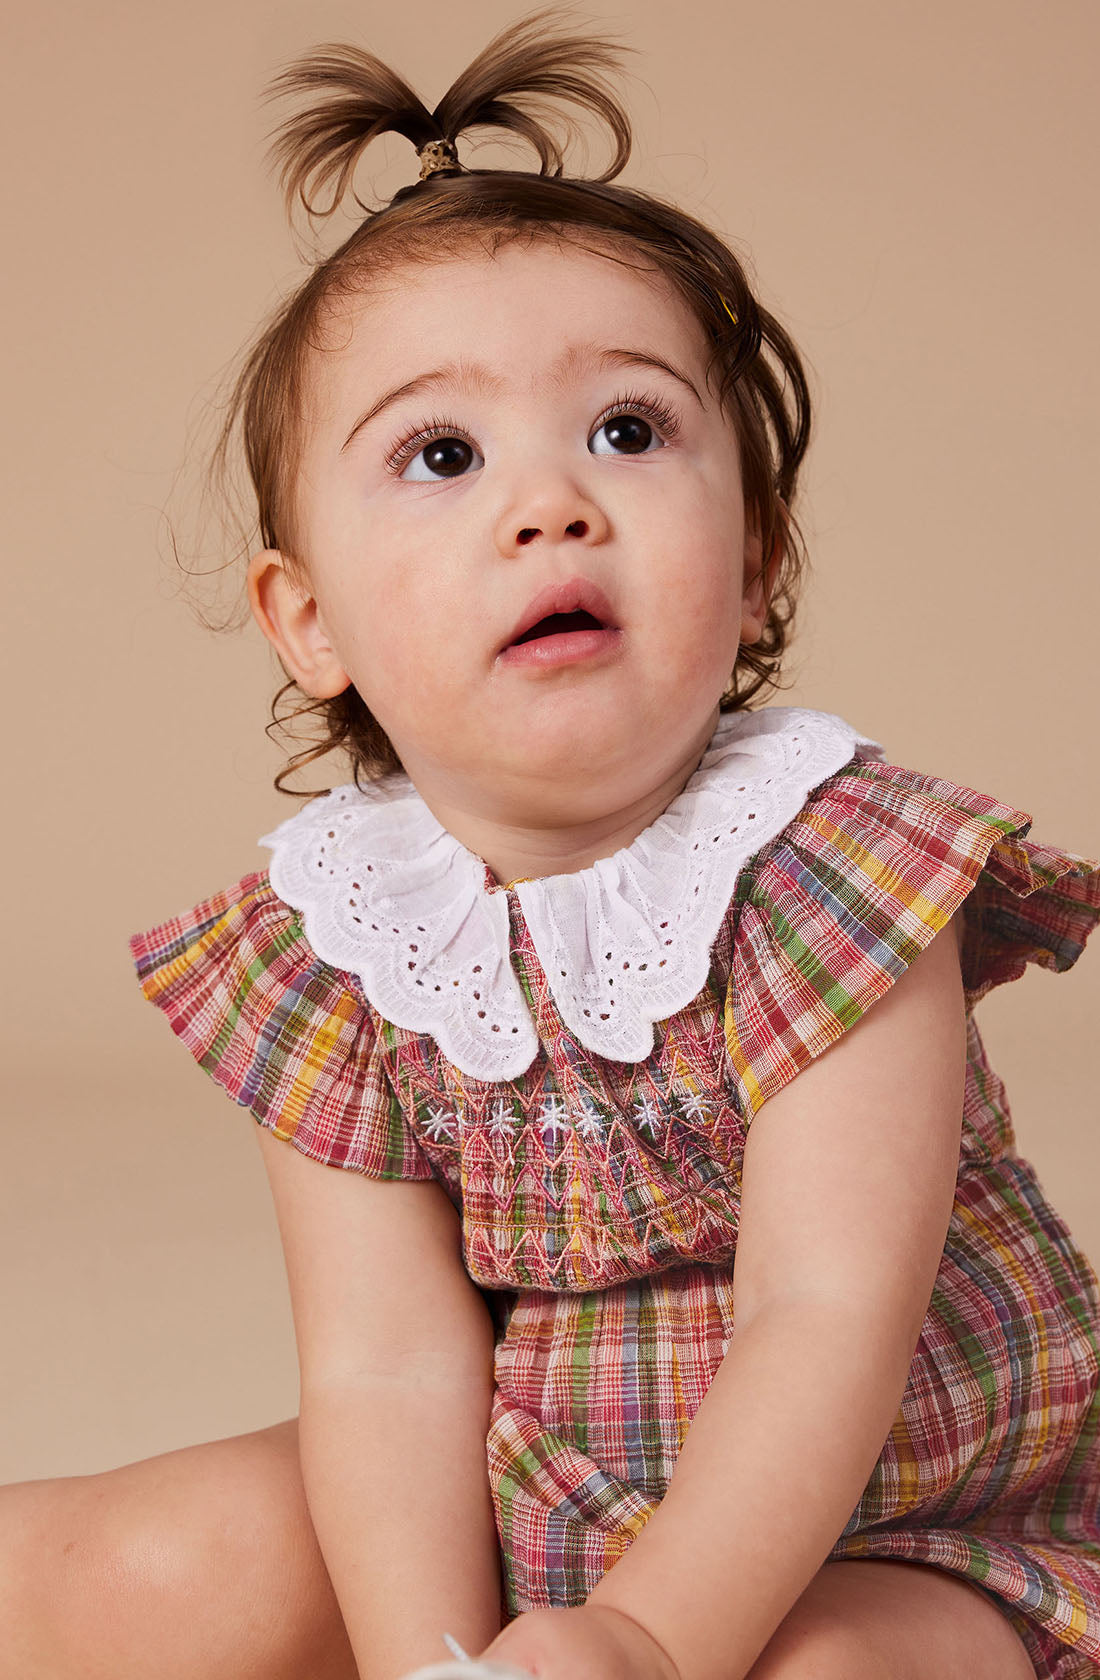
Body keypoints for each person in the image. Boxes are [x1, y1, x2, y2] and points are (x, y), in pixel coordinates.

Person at [3, 11, 1099, 1680]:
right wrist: (440, 1660)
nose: (552, 505)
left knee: (830, 1674)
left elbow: (829, 1325)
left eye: (630, 433)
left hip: (902, 1521)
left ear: (757, 566)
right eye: (442, 456)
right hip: (536, 1506)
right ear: (310, 624)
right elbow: (383, 1373)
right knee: (147, 1564)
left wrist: (649, 1646)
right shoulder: (337, 946)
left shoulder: (843, 877)